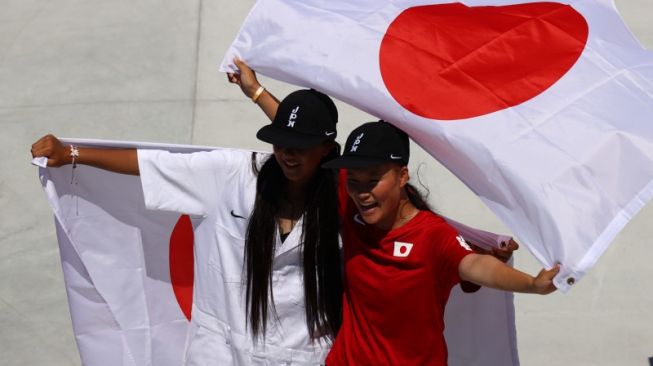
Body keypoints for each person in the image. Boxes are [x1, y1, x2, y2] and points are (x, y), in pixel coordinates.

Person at [30, 88, 343, 365]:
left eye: (300, 146)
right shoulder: (231, 174)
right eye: (280, 143)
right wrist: (71, 154)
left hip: (302, 354)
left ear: (327, 149)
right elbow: (152, 164)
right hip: (220, 351)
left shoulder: (346, 198)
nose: (287, 154)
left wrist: (258, 93)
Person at [321, 121, 559, 366]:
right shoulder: (351, 204)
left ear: (402, 176)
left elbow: (475, 265)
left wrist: (532, 284)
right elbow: (303, 133)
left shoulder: (432, 235)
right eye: (353, 180)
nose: (361, 192)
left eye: (372, 180)